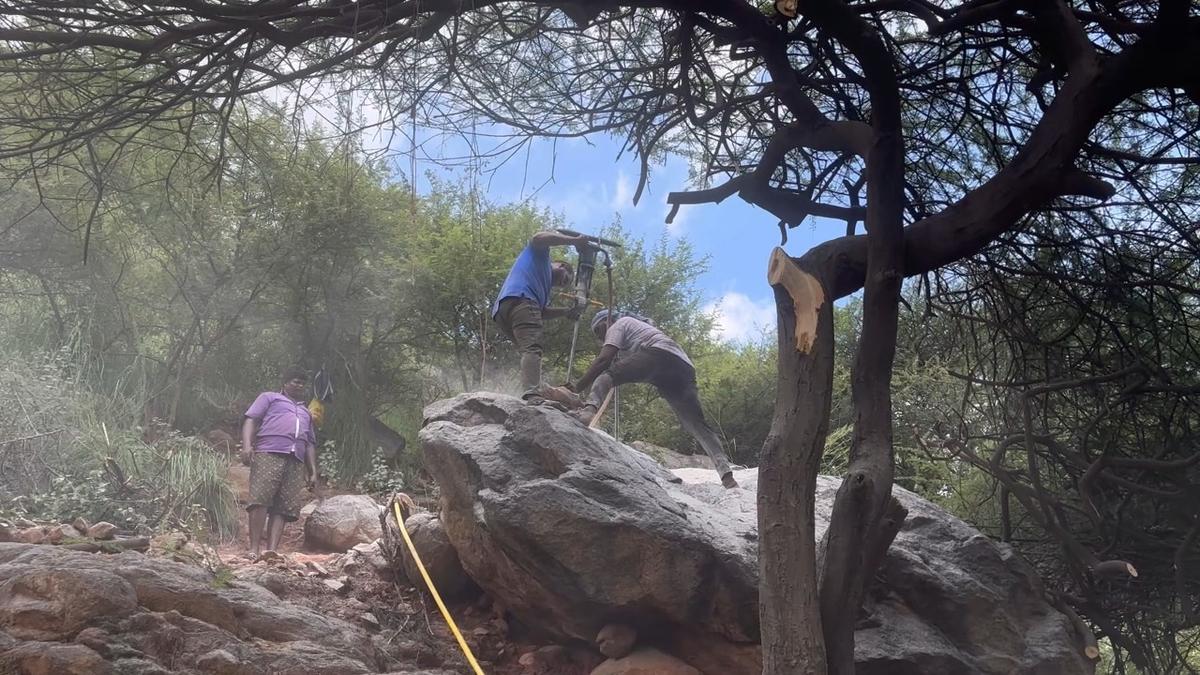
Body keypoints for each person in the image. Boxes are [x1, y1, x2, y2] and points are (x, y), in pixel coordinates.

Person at [570, 310, 739, 489]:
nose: (601, 335)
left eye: (600, 329)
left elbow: (604, 360)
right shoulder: (640, 328)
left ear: (609, 319)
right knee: (697, 424)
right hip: (682, 366)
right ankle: (726, 475)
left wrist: (576, 388)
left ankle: (588, 412)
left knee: (606, 376)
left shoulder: (620, 324)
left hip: (658, 355)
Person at [492, 230, 591, 398]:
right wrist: (574, 241)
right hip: (523, 300)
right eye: (566, 279)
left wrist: (567, 311)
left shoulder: (539, 284)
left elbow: (541, 312)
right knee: (532, 349)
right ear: (560, 265)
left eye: (564, 285)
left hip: (503, 310)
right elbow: (538, 237)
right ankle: (533, 395)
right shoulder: (541, 256)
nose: (562, 284)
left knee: (527, 351)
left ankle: (534, 388)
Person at [241, 367, 318, 558]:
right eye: (295, 382)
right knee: (260, 499)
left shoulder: (306, 412)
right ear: (284, 383)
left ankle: (272, 551)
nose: (300, 385)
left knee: (283, 506)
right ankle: (253, 550)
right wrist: (247, 445)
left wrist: (313, 471)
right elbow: (251, 419)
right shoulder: (270, 398)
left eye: (302, 383)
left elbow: (309, 443)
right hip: (269, 452)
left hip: (295, 459)